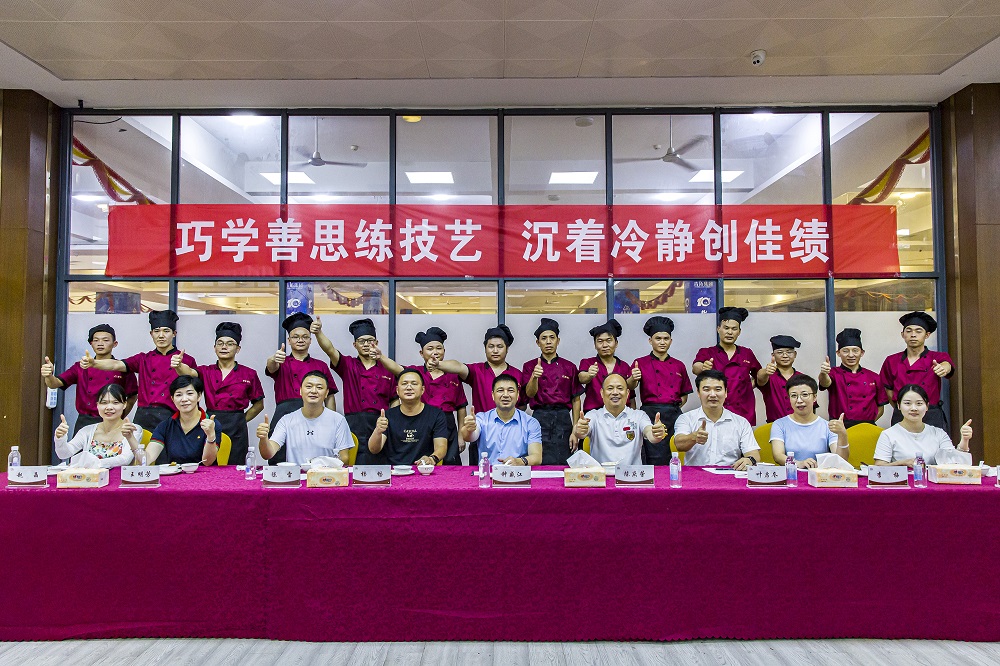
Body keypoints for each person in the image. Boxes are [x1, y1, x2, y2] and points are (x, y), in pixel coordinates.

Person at [82, 310, 196, 435]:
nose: (161, 335)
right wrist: (94, 363)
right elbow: (116, 364)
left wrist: (179, 366)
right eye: (156, 331)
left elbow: (193, 385)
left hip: (171, 416)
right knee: (138, 447)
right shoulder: (143, 359)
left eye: (166, 331)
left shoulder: (187, 360)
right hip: (143, 416)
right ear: (151, 334)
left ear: (174, 334)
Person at [375, 327, 468, 465]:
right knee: (423, 464)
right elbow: (396, 368)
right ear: (421, 353)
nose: (435, 352)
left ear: (444, 351)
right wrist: (381, 357)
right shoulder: (416, 374)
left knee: (451, 466)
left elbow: (461, 407)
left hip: (448, 425)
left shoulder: (453, 375)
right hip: (423, 425)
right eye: (430, 348)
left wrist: (461, 436)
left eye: (439, 348)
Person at [432, 324, 525, 463]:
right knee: (479, 473)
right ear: (485, 348)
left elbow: (522, 405)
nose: (495, 350)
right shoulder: (477, 370)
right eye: (491, 346)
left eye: (500, 346)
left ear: (507, 348)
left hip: (510, 435)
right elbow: (459, 367)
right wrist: (439, 364)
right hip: (480, 433)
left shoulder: (517, 374)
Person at [175, 322, 264, 466]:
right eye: (220, 343)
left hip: (237, 427)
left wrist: (241, 420)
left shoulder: (249, 373)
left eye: (230, 344)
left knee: (236, 466)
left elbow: (259, 404)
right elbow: (189, 372)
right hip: (211, 422)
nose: (224, 347)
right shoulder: (206, 371)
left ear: (238, 349)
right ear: (214, 347)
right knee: (208, 464)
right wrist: (178, 365)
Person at [314, 317, 398, 465]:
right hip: (353, 425)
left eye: (370, 340)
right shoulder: (348, 364)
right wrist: (319, 332)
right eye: (361, 341)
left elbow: (395, 399)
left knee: (381, 466)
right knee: (352, 465)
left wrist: (392, 421)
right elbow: (330, 350)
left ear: (376, 343)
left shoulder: (387, 368)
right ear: (355, 345)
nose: (366, 344)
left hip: (379, 423)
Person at [42, 324, 138, 435]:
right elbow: (54, 384)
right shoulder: (80, 367)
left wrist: (120, 416)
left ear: (115, 344)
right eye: (96, 340)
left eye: (105, 340)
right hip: (84, 421)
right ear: (91, 343)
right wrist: (49, 376)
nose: (100, 343)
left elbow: (132, 396)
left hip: (112, 420)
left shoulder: (122, 368)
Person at [629, 316, 693, 465]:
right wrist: (633, 378)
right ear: (650, 341)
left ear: (671, 341)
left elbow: (684, 395)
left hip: (674, 415)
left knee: (674, 454)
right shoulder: (640, 363)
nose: (662, 342)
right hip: (650, 415)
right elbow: (630, 387)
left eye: (666, 338)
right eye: (658, 338)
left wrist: (672, 408)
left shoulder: (679, 365)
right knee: (652, 456)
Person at [265, 312, 338, 442]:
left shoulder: (320, 365)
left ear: (310, 340)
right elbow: (271, 367)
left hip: (315, 416)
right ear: (289, 340)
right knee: (279, 452)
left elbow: (330, 396)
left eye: (305, 337)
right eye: (295, 337)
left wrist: (331, 420)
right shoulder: (281, 362)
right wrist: (273, 359)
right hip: (284, 415)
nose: (300, 340)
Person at [256, 370, 354, 465]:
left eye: (319, 387)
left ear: (326, 393)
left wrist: (321, 465)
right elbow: (268, 454)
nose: (314, 391)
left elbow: (344, 458)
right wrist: (263, 439)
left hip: (326, 474)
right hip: (296, 475)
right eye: (308, 386)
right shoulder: (286, 420)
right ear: (300, 391)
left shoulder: (338, 420)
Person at [522, 318, 582, 465]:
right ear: (538, 343)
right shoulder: (529, 366)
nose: (548, 342)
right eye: (544, 338)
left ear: (558, 341)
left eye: (552, 337)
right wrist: (534, 377)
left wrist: (575, 430)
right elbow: (529, 394)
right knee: (539, 460)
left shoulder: (569, 367)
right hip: (539, 417)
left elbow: (576, 400)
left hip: (563, 418)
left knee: (564, 461)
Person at [880, 311, 954, 429]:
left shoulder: (937, 357)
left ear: (927, 335)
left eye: (918, 331)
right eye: (909, 331)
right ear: (902, 334)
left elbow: (947, 365)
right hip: (901, 416)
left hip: (931, 416)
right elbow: (888, 389)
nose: (913, 335)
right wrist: (901, 408)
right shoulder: (891, 360)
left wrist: (944, 368)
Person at [574, 373, 666, 467]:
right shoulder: (593, 415)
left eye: (620, 388)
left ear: (627, 393)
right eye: (610, 388)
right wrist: (580, 430)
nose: (615, 392)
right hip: (602, 474)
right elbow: (581, 433)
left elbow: (650, 433)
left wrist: (656, 434)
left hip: (631, 474)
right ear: (602, 393)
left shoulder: (639, 416)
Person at [674, 370, 759, 470]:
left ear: (726, 392)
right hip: (696, 474)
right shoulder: (686, 418)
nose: (713, 394)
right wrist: (694, 437)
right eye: (706, 389)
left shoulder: (741, 422)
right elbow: (679, 444)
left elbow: (754, 454)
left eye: (718, 389)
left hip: (729, 474)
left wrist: (749, 460)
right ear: (698, 392)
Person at [692, 307, 762, 425]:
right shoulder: (707, 352)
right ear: (718, 329)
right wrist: (703, 367)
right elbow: (695, 368)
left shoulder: (747, 353)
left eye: (734, 329)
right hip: (716, 411)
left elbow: (759, 377)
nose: (730, 332)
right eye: (726, 328)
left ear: (739, 332)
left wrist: (747, 386)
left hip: (743, 412)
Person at [873, 384, 973, 466]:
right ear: (898, 406)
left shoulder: (938, 433)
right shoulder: (888, 434)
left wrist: (964, 440)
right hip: (903, 483)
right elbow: (879, 467)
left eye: (919, 403)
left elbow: (953, 461)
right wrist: (901, 463)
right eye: (907, 403)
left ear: (927, 406)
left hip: (932, 483)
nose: (914, 408)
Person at [368, 369, 448, 466]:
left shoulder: (436, 415)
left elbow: (441, 446)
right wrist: (378, 431)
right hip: (394, 470)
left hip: (422, 469)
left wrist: (432, 459)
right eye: (404, 383)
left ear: (422, 390)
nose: (409, 387)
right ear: (397, 390)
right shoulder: (387, 416)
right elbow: (374, 449)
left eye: (414, 384)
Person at [53, 383, 144, 468]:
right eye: (104, 403)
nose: (109, 407)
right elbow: (64, 454)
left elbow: (125, 459)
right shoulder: (87, 431)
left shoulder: (133, 429)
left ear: (124, 405)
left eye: (115, 403)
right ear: (97, 405)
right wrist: (60, 438)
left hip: (119, 478)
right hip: (91, 478)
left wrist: (94, 464)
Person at [460, 374, 542, 466]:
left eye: (510, 390)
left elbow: (537, 457)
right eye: (500, 390)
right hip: (488, 472)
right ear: (493, 395)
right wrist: (469, 429)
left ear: (518, 395)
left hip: (517, 471)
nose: (505, 395)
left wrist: (519, 461)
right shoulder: (482, 418)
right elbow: (469, 437)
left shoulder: (530, 423)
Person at [769, 375, 849, 468]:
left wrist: (842, 435)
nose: (799, 400)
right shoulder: (779, 424)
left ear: (814, 397)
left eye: (805, 395)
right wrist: (798, 463)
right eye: (794, 396)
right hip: (792, 473)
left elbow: (840, 460)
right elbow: (778, 456)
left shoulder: (827, 426)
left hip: (819, 474)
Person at [818, 328, 887, 427]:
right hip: (840, 426)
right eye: (845, 351)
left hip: (867, 427)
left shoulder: (874, 377)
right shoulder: (834, 373)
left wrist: (868, 424)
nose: (851, 355)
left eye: (855, 350)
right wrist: (824, 373)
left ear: (862, 353)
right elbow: (825, 382)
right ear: (838, 353)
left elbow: (881, 407)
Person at [145, 375, 219, 466]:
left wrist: (211, 436)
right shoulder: (165, 426)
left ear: (199, 396)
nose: (184, 399)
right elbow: (147, 459)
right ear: (172, 399)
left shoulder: (212, 424)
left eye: (189, 393)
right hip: (175, 473)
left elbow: (207, 462)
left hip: (206, 474)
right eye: (179, 395)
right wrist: (131, 438)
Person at [578, 319, 633, 413]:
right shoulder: (587, 362)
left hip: (620, 415)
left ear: (616, 343)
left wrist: (633, 415)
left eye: (609, 340)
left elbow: (631, 396)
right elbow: (581, 378)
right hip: (594, 414)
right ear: (595, 345)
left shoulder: (624, 366)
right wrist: (589, 375)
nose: (604, 345)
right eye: (600, 341)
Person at [757, 335, 805, 423]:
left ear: (795, 354)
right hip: (774, 425)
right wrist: (765, 371)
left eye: (789, 352)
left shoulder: (803, 378)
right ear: (773, 355)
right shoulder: (768, 376)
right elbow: (760, 378)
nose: (785, 356)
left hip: (800, 425)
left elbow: (811, 406)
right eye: (780, 352)